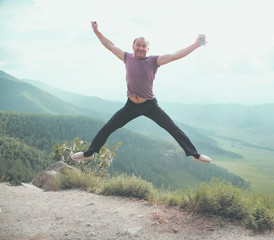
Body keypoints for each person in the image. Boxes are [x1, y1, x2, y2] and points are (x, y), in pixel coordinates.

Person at [71, 21, 211, 164]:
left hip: (150, 105)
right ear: (133, 47)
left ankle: (195, 154)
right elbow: (110, 46)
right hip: (131, 105)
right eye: (138, 45)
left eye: (144, 46)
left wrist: (195, 44)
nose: (141, 48)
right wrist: (97, 32)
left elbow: (176, 55)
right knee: (109, 127)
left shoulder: (154, 61)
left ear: (148, 48)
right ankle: (89, 153)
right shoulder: (127, 57)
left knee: (172, 128)